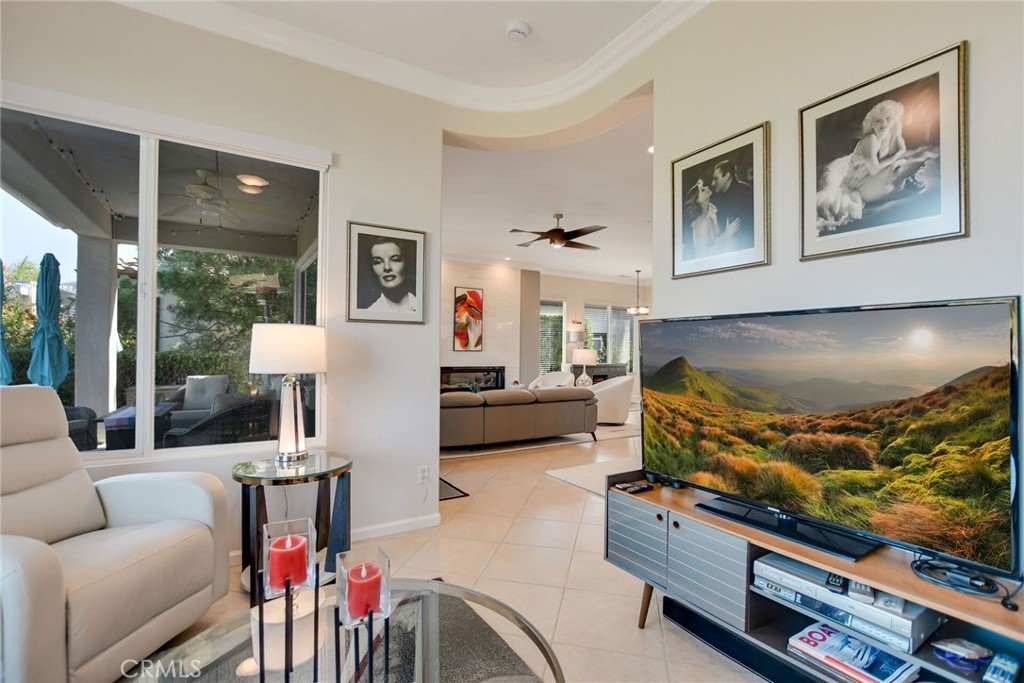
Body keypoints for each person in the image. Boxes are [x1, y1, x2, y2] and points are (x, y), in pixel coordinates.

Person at [816, 99, 908, 233]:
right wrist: (899, 153)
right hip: (840, 170)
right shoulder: (870, 139)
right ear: (872, 124)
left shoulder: (888, 138)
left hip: (853, 178)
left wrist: (897, 136)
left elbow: (895, 136)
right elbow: (874, 169)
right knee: (829, 197)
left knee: (847, 201)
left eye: (888, 119)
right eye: (878, 120)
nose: (883, 123)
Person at [709, 159, 755, 251]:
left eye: (716, 179)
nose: (712, 183)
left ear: (727, 176)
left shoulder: (744, 192)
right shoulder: (723, 196)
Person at [364, 237, 417, 312]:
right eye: (378, 262)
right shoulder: (369, 312)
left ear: (406, 263)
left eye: (395, 260)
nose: (387, 267)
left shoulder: (425, 306)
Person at [683, 179, 729, 258]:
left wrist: (714, 219)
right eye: (702, 190)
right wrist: (726, 235)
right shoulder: (703, 221)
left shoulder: (709, 216)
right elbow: (703, 254)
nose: (707, 187)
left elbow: (716, 237)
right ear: (698, 200)